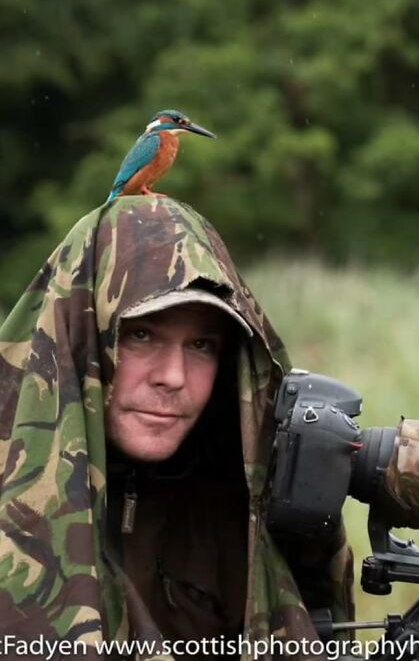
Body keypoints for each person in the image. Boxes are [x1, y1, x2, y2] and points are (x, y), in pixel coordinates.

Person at [0, 196, 354, 659]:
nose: (173, 376)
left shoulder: (251, 513)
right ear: (83, 336)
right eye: (141, 335)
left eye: (201, 345)